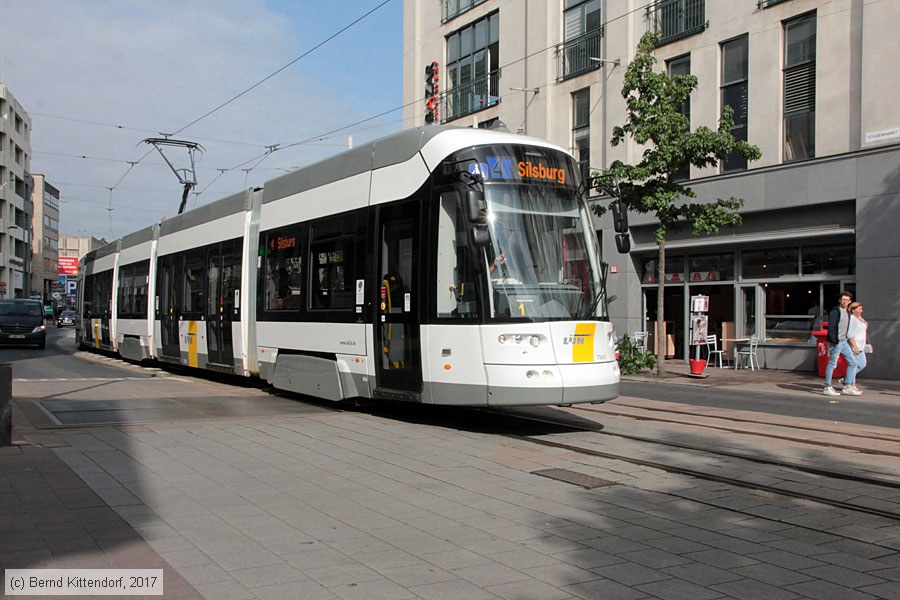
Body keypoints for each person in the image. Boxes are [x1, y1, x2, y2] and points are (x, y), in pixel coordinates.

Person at [824, 290, 858, 397]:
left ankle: (847, 385)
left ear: (849, 302)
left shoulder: (848, 312)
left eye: (847, 300)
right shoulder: (835, 312)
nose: (844, 301)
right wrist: (834, 341)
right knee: (832, 364)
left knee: (853, 362)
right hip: (837, 342)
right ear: (840, 300)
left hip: (844, 341)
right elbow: (831, 328)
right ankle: (828, 386)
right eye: (843, 299)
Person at [846, 301, 869, 394]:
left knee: (862, 364)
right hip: (856, 345)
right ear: (853, 310)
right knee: (853, 365)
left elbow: (864, 327)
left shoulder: (858, 318)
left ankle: (847, 379)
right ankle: (851, 385)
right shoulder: (852, 319)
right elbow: (850, 334)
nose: (861, 310)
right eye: (859, 309)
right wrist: (854, 346)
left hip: (861, 346)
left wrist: (861, 319)